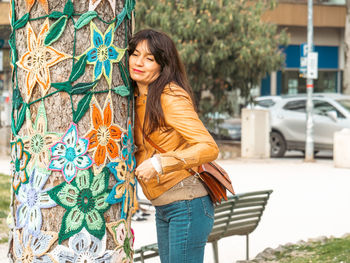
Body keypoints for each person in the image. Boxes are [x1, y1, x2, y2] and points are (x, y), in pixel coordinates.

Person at [129, 29, 219, 263]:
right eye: (135, 54)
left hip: (187, 204)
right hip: (165, 206)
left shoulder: (169, 96)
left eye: (149, 59)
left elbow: (208, 147)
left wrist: (159, 163)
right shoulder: (136, 97)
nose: (139, 63)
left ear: (162, 65)